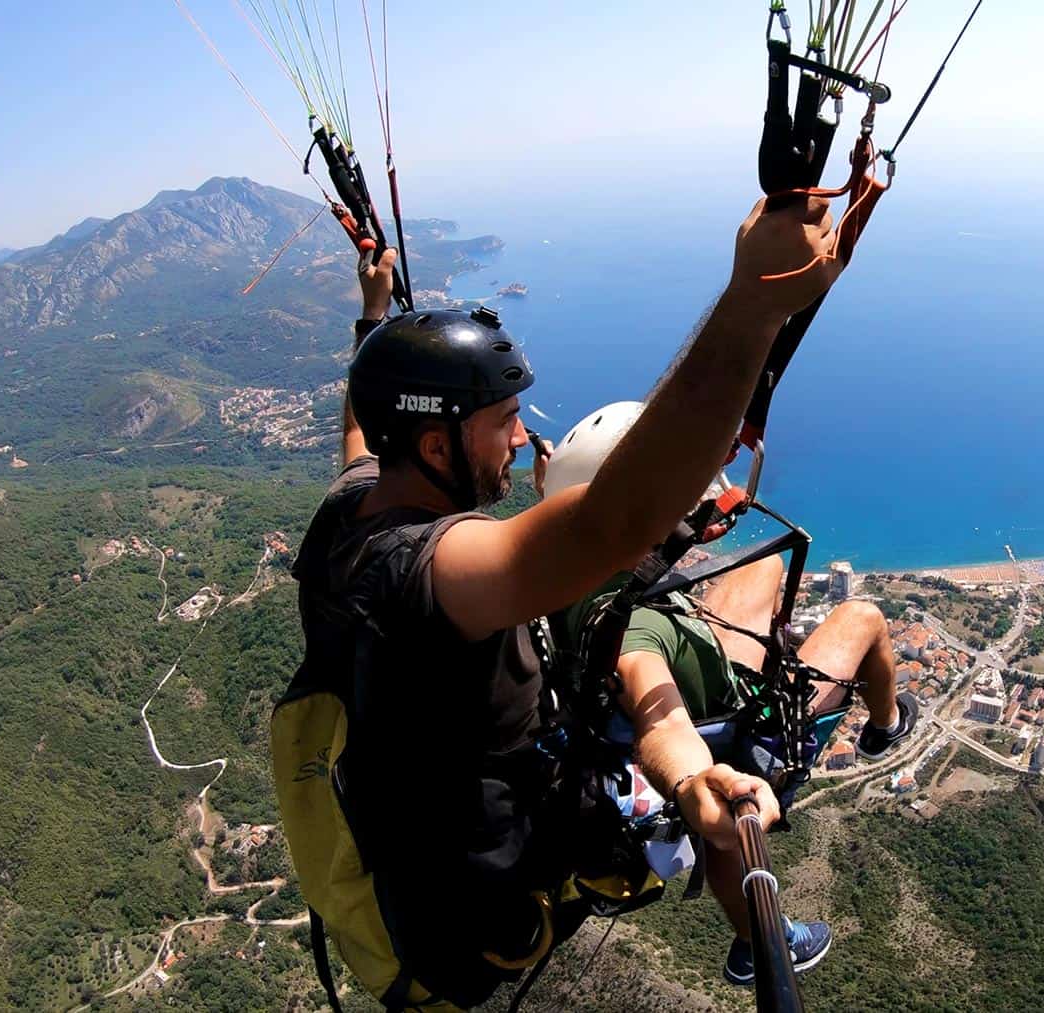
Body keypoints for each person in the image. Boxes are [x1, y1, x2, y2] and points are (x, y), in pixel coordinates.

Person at [286, 195, 850, 1009]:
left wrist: (374, 320)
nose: (522, 440)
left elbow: (357, 434)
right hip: (482, 917)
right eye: (505, 421)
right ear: (437, 446)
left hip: (417, 878)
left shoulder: (354, 503)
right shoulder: (426, 573)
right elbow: (611, 523)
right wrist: (753, 303)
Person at [541, 401, 920, 985]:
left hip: (692, 665)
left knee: (764, 568)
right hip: (729, 727)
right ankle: (885, 725)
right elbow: (661, 720)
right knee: (863, 617)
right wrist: (695, 781)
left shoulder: (557, 568)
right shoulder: (633, 641)